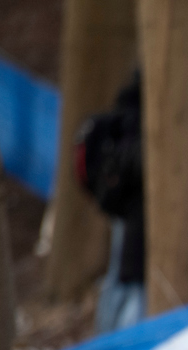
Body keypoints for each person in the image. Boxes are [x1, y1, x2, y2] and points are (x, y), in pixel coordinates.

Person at [75, 70, 145, 332]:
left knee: (119, 280)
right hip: (134, 218)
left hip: (125, 213)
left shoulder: (122, 114)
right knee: (130, 284)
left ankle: (110, 337)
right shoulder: (135, 120)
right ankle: (120, 345)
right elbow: (134, 161)